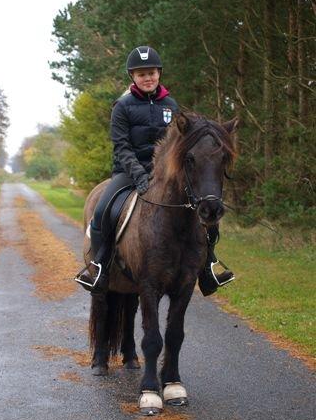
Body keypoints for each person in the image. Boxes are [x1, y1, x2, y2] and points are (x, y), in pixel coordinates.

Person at [76, 45, 234, 295]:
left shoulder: (170, 105)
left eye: (151, 73)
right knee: (104, 212)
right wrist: (138, 173)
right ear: (133, 78)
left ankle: (207, 268)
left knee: (206, 210)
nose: (147, 78)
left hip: (165, 175)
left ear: (159, 73)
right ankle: (99, 268)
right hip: (128, 173)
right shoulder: (122, 106)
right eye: (141, 74)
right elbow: (121, 146)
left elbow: (181, 144)